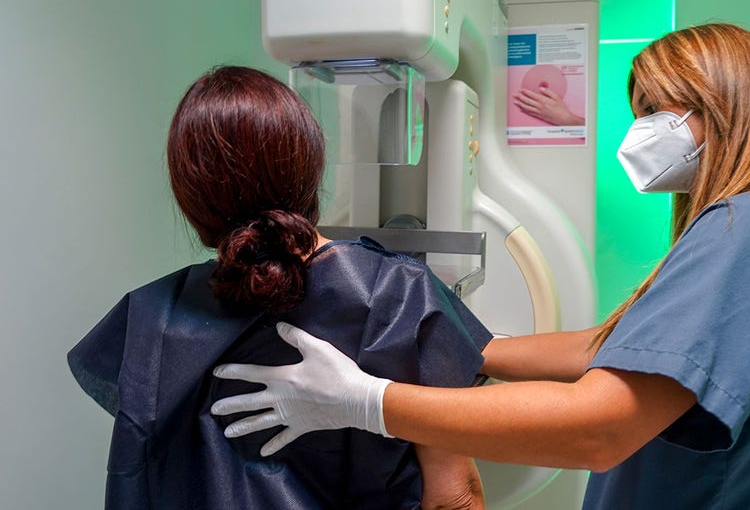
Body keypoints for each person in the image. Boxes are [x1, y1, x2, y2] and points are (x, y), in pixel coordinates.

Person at [209, 24, 750, 508]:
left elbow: (598, 425)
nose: (640, 131)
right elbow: (624, 352)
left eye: (657, 109)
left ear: (724, 101)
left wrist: (368, 403)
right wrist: (474, 347)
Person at [67, 66, 491, 509]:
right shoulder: (397, 294)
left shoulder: (147, 318)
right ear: (308, 167)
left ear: (189, 194)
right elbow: (454, 497)